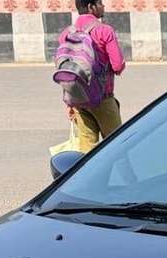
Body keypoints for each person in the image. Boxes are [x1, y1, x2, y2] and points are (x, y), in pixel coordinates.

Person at [59, 0, 125, 153]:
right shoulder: (104, 31)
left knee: (87, 150)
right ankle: (125, 177)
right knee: (116, 147)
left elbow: (67, 68)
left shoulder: (67, 34)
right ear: (91, 7)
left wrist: (70, 103)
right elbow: (117, 65)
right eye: (100, 3)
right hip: (103, 98)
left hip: (78, 100)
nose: (103, 6)